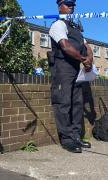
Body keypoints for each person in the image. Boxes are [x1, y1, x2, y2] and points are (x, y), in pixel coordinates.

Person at [49, 0, 93, 153]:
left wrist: (89, 60)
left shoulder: (76, 28)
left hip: (76, 69)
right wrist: (83, 60)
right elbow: (65, 46)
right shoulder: (58, 25)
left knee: (77, 104)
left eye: (73, 4)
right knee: (63, 103)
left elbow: (87, 47)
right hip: (62, 68)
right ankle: (66, 139)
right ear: (59, 6)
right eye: (67, 4)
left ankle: (75, 137)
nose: (71, 6)